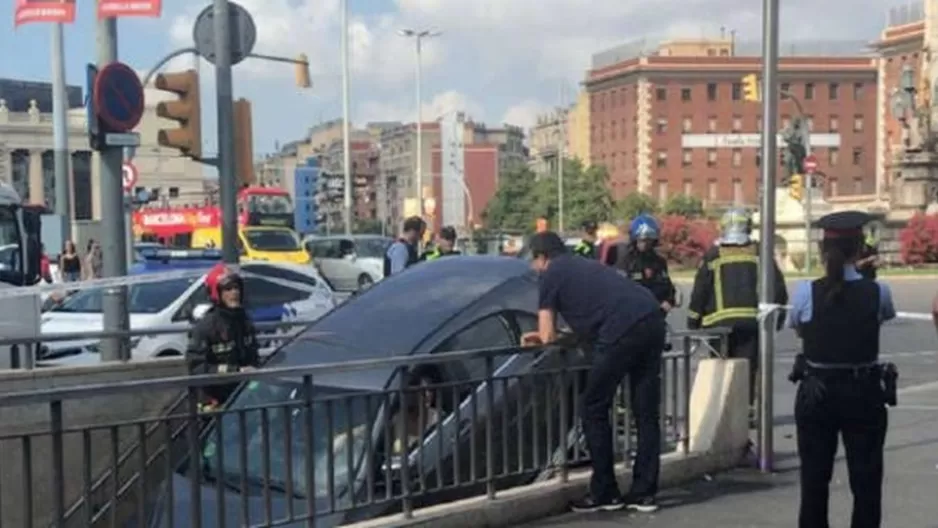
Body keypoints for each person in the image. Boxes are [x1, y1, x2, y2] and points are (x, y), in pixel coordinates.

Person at [522, 231, 665, 513]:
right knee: (645, 412)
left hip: (621, 330)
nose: (533, 268)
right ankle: (644, 493)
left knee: (593, 407)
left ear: (542, 257)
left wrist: (539, 337)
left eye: (533, 261)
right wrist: (561, 336)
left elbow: (547, 334)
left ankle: (605, 492)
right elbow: (586, 327)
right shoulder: (583, 264)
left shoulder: (551, 274)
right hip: (651, 318)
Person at [786, 211, 897, 528]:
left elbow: (799, 327)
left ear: (823, 250)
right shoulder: (878, 292)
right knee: (866, 484)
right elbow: (883, 316)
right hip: (863, 391)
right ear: (860, 247)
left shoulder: (807, 291)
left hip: (817, 391)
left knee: (814, 482)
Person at [687, 208, 788, 413]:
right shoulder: (759, 252)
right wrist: (779, 316)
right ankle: (746, 409)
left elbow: (700, 291)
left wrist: (693, 321)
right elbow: (777, 285)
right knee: (747, 368)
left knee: (720, 369)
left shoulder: (713, 255)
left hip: (719, 326)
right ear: (748, 227)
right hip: (751, 323)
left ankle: (721, 410)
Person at [186, 264, 261, 410]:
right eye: (228, 289)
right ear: (216, 293)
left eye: (236, 288)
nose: (234, 293)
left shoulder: (244, 322)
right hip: (214, 402)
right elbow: (197, 368)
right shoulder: (206, 327)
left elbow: (253, 358)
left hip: (242, 398)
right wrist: (235, 371)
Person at [620, 214, 677, 312]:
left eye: (648, 240)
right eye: (641, 240)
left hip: (655, 314)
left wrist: (669, 300)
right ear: (634, 239)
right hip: (631, 315)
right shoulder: (626, 262)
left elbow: (667, 287)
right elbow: (619, 291)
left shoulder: (659, 262)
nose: (645, 244)